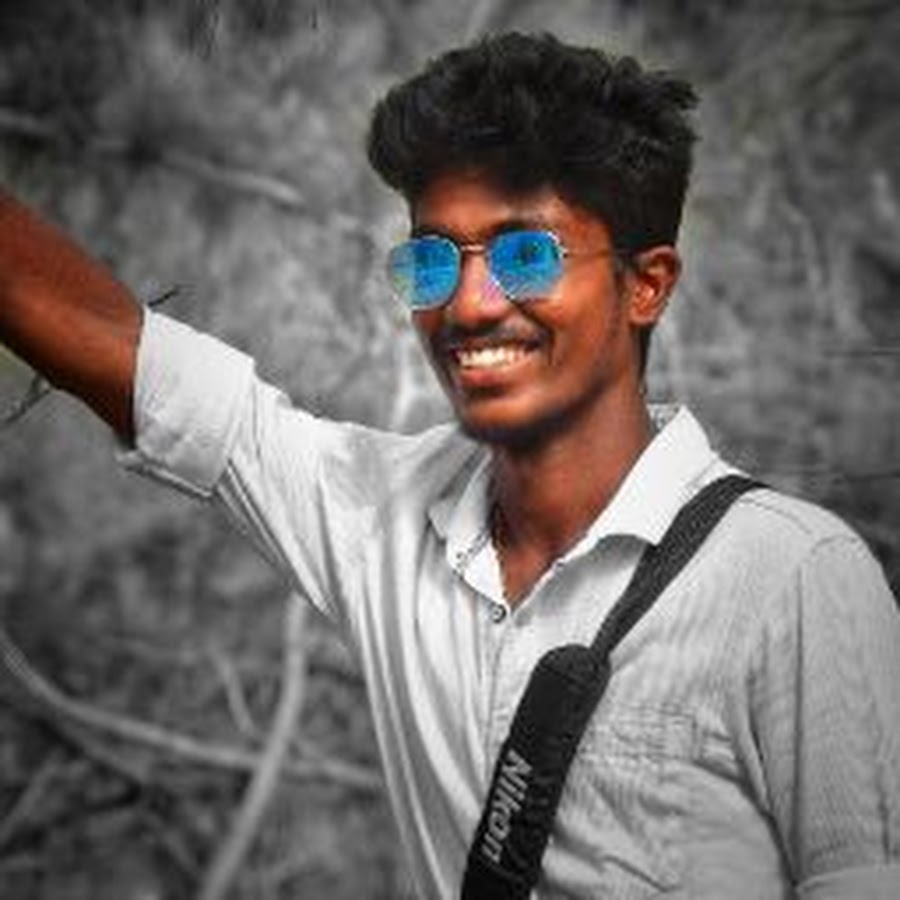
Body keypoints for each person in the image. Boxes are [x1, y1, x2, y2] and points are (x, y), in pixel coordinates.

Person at [1, 30, 898, 899]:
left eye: (525, 254)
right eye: (433, 260)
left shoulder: (793, 581)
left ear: (646, 284)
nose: (468, 306)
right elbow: (136, 363)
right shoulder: (383, 525)